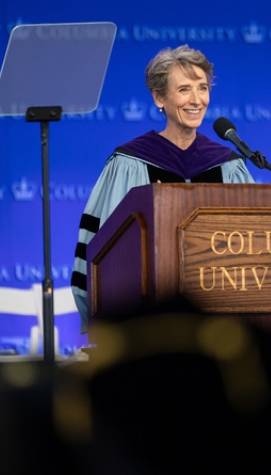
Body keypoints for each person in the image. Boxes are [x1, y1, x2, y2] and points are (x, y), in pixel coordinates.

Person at [71, 45, 255, 331]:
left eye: (203, 88)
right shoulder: (129, 163)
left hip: (221, 326)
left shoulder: (228, 165)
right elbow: (98, 252)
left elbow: (256, 248)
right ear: (159, 97)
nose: (197, 100)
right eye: (184, 89)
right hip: (145, 328)